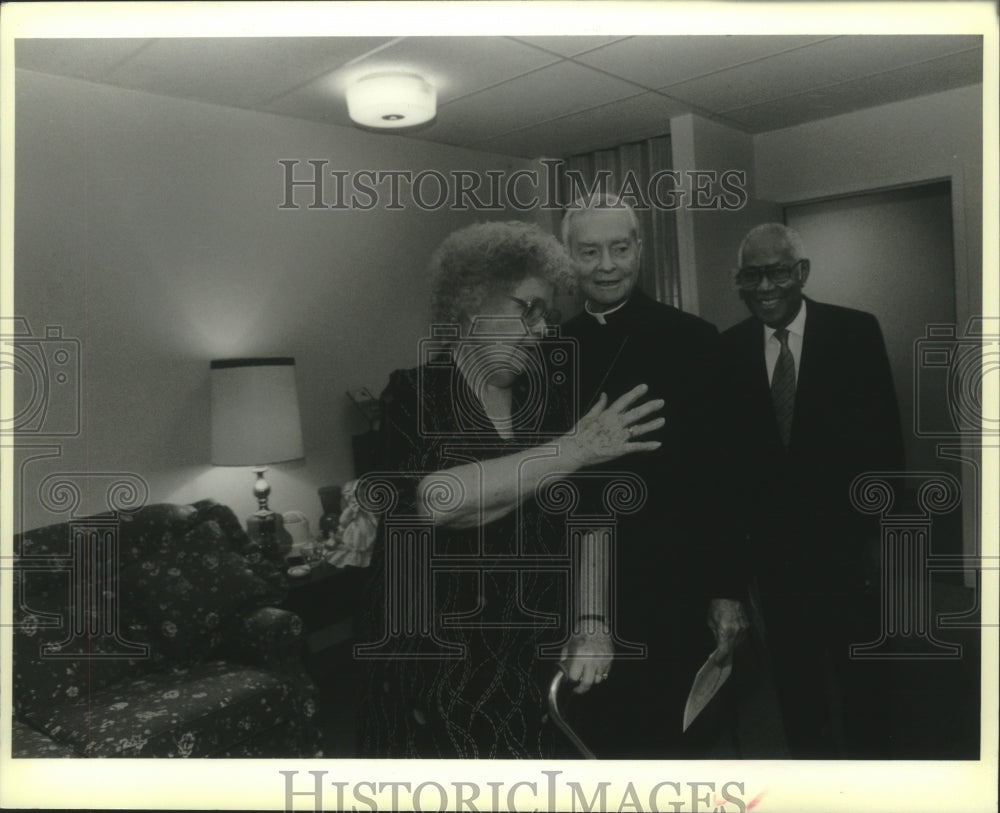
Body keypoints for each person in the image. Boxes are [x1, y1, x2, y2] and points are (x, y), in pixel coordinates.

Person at [355, 220, 665, 759]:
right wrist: (572, 450)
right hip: (441, 660)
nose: (543, 329)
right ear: (473, 303)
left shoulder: (545, 404)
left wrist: (591, 622)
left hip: (536, 651)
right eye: (528, 309)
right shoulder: (415, 394)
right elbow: (438, 502)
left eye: (547, 313)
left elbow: (588, 519)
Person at [558, 195, 748, 758]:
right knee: (591, 736)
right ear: (569, 257)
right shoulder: (549, 352)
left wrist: (727, 588)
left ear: (640, 248)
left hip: (674, 579)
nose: (606, 265)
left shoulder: (693, 339)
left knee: (673, 740)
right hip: (581, 581)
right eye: (589, 251)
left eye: (620, 248)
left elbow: (725, 475)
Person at [716, 222, 905, 758]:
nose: (764, 286)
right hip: (776, 560)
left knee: (865, 678)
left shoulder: (854, 332)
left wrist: (878, 538)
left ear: (801, 273)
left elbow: (884, 444)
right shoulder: (728, 350)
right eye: (750, 275)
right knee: (797, 683)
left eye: (776, 272)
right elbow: (730, 467)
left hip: (850, 549)